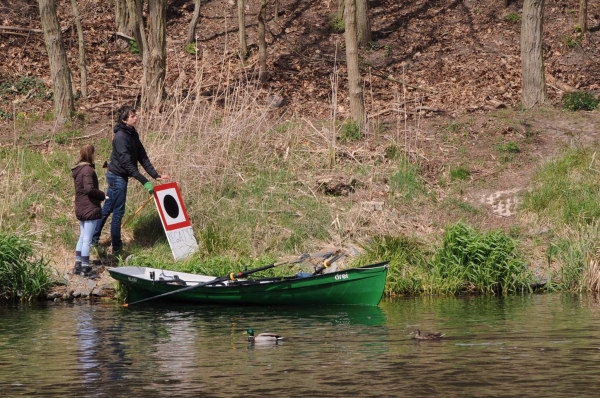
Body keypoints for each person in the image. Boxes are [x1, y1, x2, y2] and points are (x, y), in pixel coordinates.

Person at [92, 105, 170, 256]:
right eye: (133, 116)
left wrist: (155, 175)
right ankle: (117, 249)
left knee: (108, 208)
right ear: (124, 120)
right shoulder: (120, 138)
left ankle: (93, 239)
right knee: (118, 212)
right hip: (117, 177)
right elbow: (128, 165)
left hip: (120, 176)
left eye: (135, 115)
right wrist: (145, 182)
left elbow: (142, 156)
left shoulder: (132, 133)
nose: (136, 117)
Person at [72, 144, 105, 277]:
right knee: (87, 239)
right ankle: (85, 267)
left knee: (82, 237)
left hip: (81, 207)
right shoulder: (88, 170)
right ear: (90, 154)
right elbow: (89, 189)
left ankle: (78, 265)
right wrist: (103, 195)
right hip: (90, 207)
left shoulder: (78, 170)